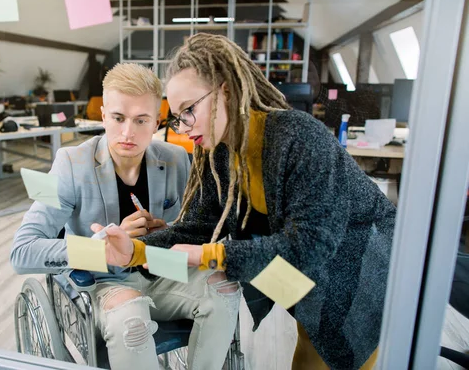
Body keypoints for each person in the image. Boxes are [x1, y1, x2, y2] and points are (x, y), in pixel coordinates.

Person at [100, 34, 396, 370]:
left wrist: (211, 257)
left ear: (226, 90)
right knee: (313, 340)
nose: (183, 128)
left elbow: (313, 243)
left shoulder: (298, 136)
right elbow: (199, 227)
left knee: (340, 348)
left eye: (189, 110)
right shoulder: (217, 151)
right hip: (303, 278)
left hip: (359, 269)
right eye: (179, 116)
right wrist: (137, 251)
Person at [11, 63, 240, 370]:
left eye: (141, 120)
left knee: (225, 286)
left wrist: (169, 230)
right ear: (103, 115)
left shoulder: (177, 159)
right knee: (130, 317)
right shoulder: (68, 163)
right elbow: (22, 251)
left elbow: (201, 228)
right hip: (105, 281)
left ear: (157, 122)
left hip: (162, 267)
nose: (128, 132)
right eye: (118, 118)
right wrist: (99, 249)